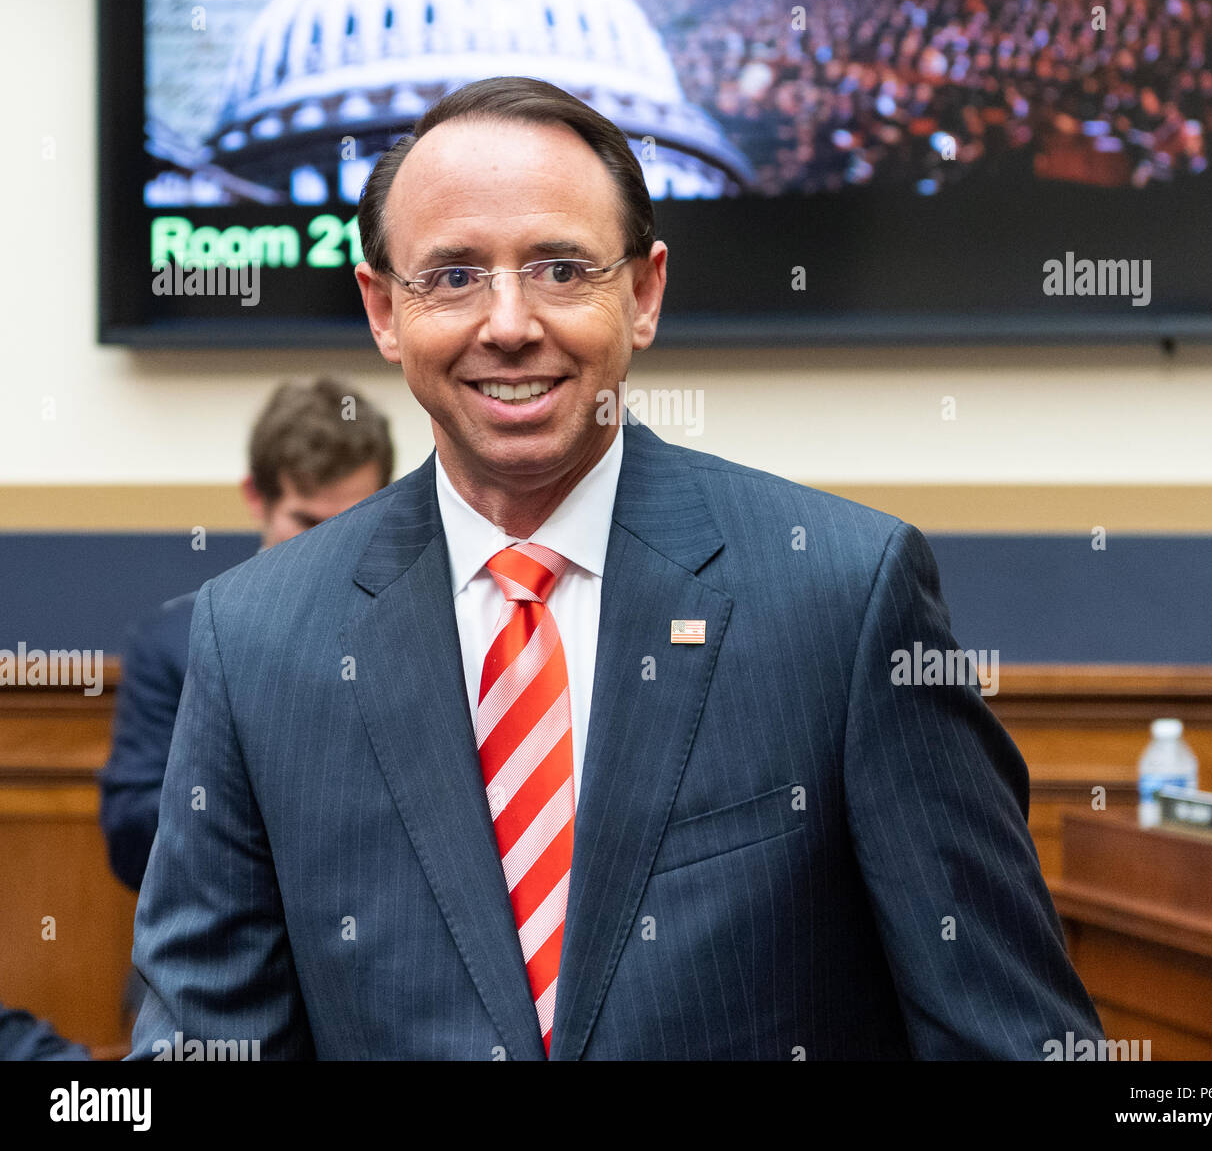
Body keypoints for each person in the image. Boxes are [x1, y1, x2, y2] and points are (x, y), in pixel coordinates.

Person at [127, 76, 1103, 1060]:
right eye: (453, 275)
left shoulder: (843, 596)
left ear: (642, 294)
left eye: (560, 268)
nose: (507, 322)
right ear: (383, 310)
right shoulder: (254, 638)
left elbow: (1009, 1038)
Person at [99, 377, 394, 892]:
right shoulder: (173, 642)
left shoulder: (414, 632)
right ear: (256, 497)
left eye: (353, 521)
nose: (329, 548)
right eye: (307, 521)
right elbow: (130, 842)